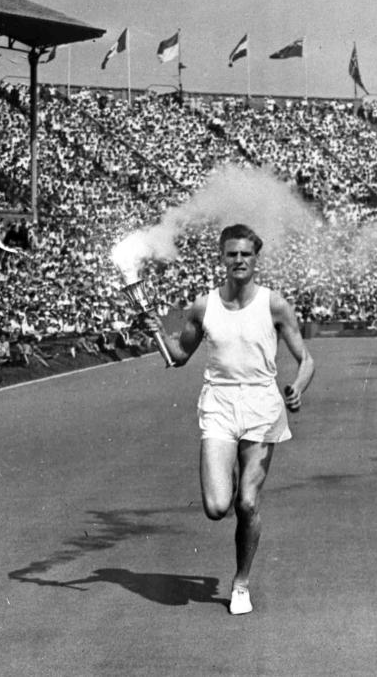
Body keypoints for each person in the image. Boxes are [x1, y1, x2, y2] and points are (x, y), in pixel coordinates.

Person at [146, 223, 315, 616]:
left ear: (256, 259)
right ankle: (230, 473)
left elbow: (305, 360)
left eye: (246, 254)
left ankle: (241, 583)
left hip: (261, 406)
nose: (239, 260)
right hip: (219, 406)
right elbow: (178, 355)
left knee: (248, 502)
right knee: (217, 506)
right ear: (221, 258)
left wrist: (297, 388)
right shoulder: (204, 306)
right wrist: (156, 334)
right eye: (231, 254)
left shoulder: (274, 304)